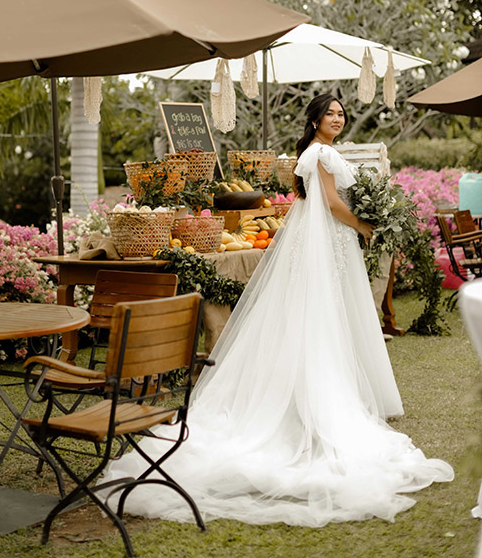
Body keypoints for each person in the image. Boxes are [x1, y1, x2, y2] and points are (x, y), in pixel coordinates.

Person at [103, 93, 453, 526]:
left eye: (342, 113)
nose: (338, 119)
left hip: (329, 244)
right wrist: (364, 224)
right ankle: (318, 399)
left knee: (327, 316)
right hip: (331, 242)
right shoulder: (321, 152)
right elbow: (330, 202)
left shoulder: (318, 152)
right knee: (324, 318)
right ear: (315, 119)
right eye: (331, 113)